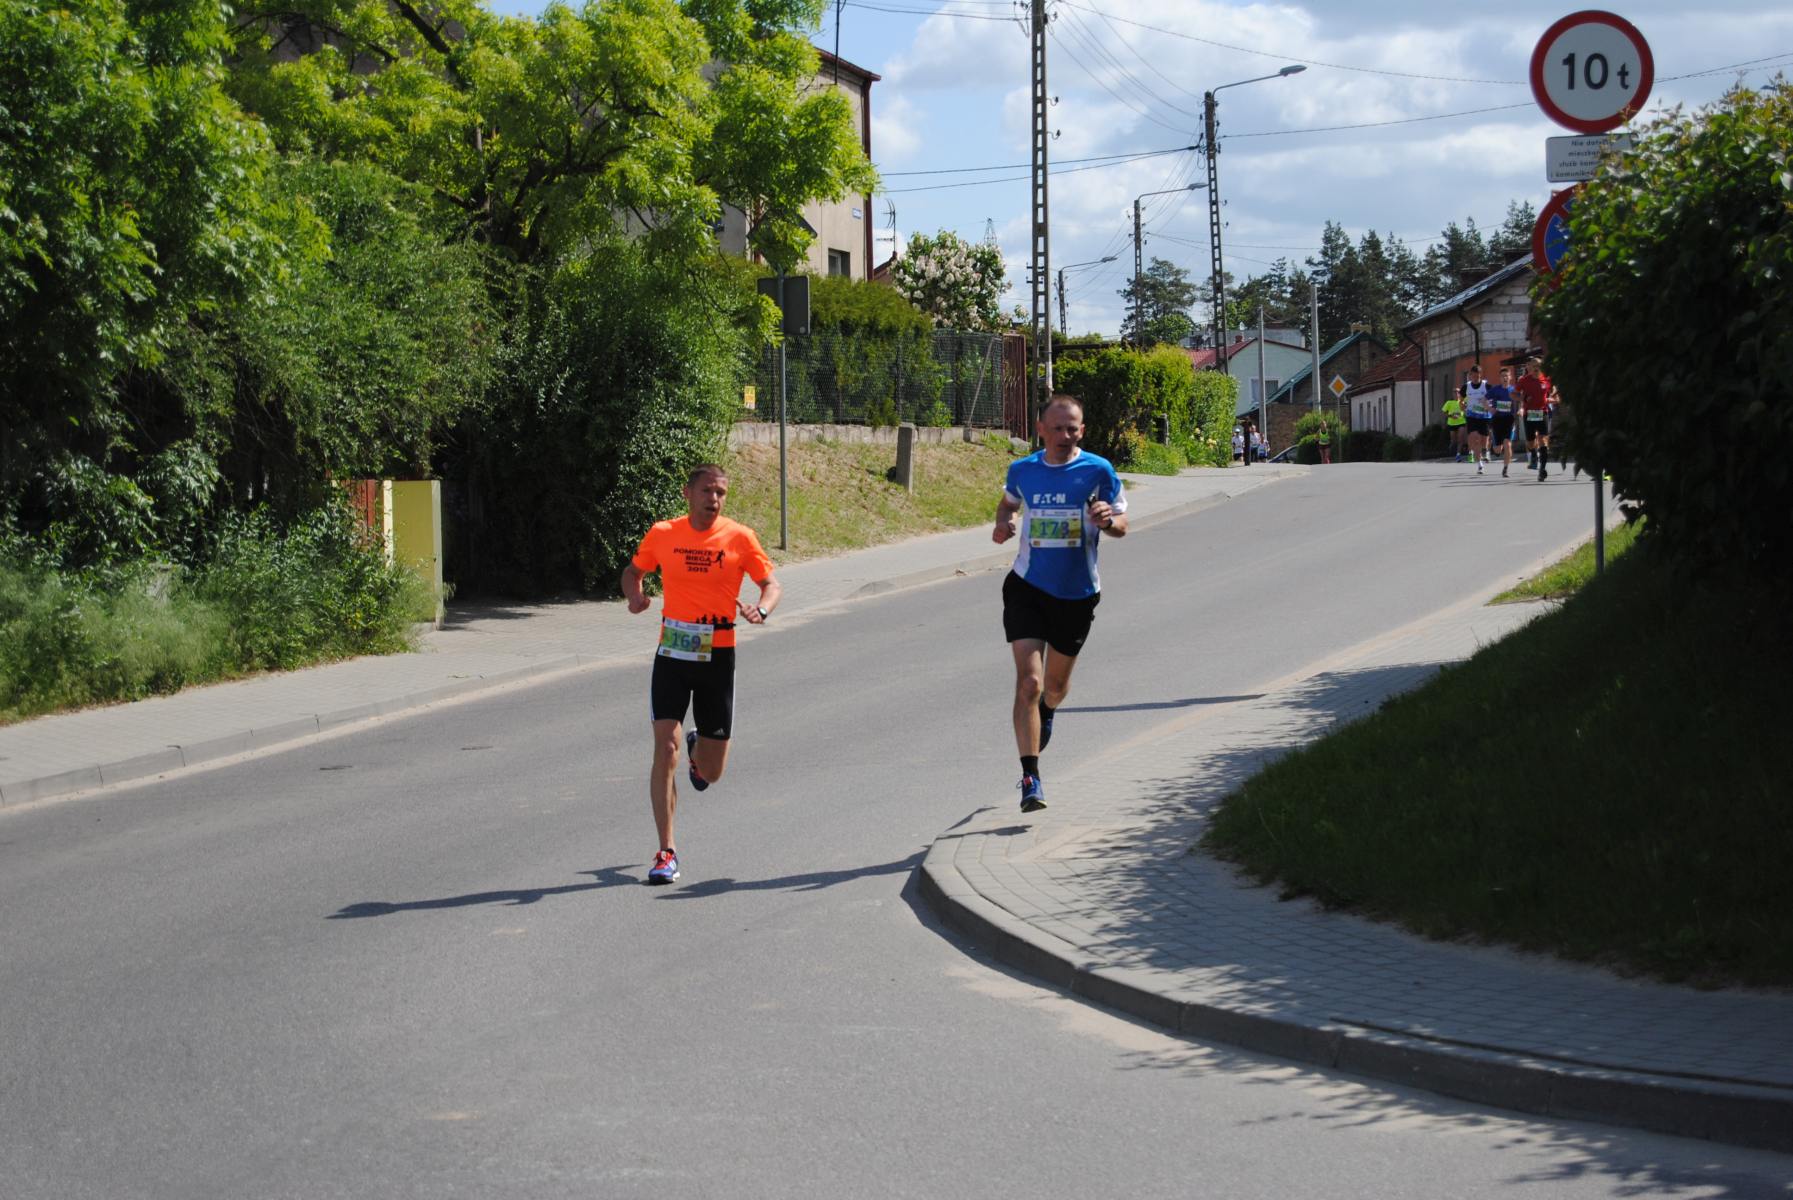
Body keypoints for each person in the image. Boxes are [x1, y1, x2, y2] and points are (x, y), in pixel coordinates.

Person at [622, 464, 781, 885]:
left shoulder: (740, 537)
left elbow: (771, 584)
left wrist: (762, 609)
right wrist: (636, 596)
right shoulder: (663, 534)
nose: (714, 499)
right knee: (664, 747)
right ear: (687, 494)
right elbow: (633, 572)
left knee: (712, 772)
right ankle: (666, 852)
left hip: (718, 659)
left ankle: (699, 752)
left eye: (721, 493)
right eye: (708, 491)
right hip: (672, 655)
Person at [992, 397, 1128, 813]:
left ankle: (1048, 710)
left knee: (1053, 688)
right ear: (1040, 430)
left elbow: (1122, 524)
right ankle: (1030, 777)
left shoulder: (1098, 471)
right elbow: (1008, 502)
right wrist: (1003, 522)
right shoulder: (1023, 470)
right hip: (1027, 586)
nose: (1065, 436)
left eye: (1072, 429)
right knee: (1029, 683)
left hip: (1077, 594)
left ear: (1081, 430)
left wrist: (1108, 521)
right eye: (1057, 428)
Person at [1516, 357, 1552, 481]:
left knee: (1543, 441)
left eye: (1538, 366)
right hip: (1529, 413)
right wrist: (1524, 399)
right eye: (1533, 366)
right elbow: (1513, 394)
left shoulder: (1547, 379)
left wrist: (1552, 398)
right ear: (1529, 368)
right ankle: (1533, 453)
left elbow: (1554, 392)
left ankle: (1542, 469)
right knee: (1530, 443)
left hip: (1543, 413)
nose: (1536, 368)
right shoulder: (1524, 380)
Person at [1461, 364, 1493, 474]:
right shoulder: (1466, 387)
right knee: (1475, 438)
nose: (1475, 378)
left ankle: (1486, 450)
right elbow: (1461, 400)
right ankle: (1480, 464)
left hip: (1484, 416)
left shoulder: (1486, 386)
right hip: (1471, 415)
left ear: (1480, 375)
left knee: (1484, 439)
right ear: (1470, 375)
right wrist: (1462, 406)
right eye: (1473, 376)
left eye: (1477, 376)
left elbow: (1493, 398)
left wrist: (1488, 404)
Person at [1488, 365, 1517, 477]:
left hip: (1509, 419)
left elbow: (1521, 401)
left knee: (1507, 444)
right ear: (1500, 378)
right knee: (1498, 449)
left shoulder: (1514, 390)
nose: (1505, 378)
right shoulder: (1495, 390)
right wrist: (1489, 408)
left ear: (1510, 377)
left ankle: (1505, 468)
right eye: (1502, 376)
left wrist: (1521, 409)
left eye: (1506, 376)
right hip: (1497, 419)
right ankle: (1494, 444)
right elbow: (1484, 399)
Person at [1441, 390, 1467, 461]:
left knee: (1460, 439)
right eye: (1454, 392)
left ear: (1460, 394)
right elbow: (1443, 412)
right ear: (1453, 394)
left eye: (1458, 392)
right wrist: (1451, 416)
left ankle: (1458, 455)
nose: (1456, 394)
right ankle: (1451, 446)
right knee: (1453, 440)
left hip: (1461, 422)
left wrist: (1465, 411)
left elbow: (1466, 410)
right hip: (1451, 423)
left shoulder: (1463, 402)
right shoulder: (1449, 402)